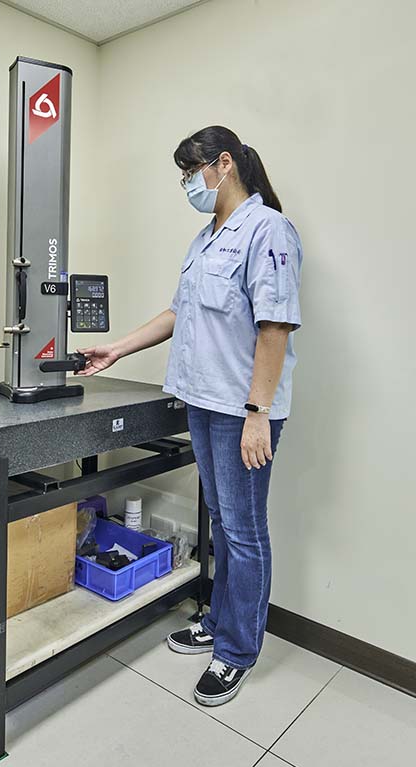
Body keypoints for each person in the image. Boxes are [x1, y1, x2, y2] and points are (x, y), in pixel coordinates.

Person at [78, 126, 302, 706]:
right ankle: (219, 621)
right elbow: (177, 314)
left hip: (242, 409)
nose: (187, 184)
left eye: (190, 171)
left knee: (244, 531)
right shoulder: (206, 238)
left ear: (224, 164)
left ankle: (237, 651)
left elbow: (275, 327)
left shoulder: (268, 229)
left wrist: (258, 413)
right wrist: (117, 349)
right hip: (202, 402)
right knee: (223, 523)